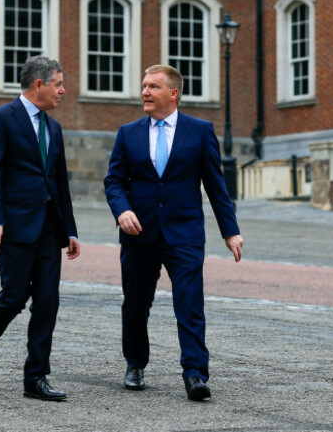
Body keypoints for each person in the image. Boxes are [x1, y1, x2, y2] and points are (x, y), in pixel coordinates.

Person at [104, 64, 243, 401]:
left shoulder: (200, 131)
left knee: (190, 304)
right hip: (139, 234)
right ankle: (135, 363)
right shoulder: (128, 132)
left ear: (173, 93)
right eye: (143, 87)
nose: (145, 93)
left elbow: (215, 185)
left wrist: (231, 231)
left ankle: (195, 373)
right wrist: (122, 210)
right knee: (136, 305)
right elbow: (114, 181)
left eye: (153, 87)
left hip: (184, 234)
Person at [0, 56, 80, 402]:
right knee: (14, 296)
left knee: (47, 301)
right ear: (39, 85)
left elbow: (60, 183)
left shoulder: (54, 127)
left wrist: (70, 231)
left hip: (49, 228)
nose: (62, 90)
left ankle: (36, 376)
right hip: (15, 226)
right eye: (58, 84)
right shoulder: (1, 119)